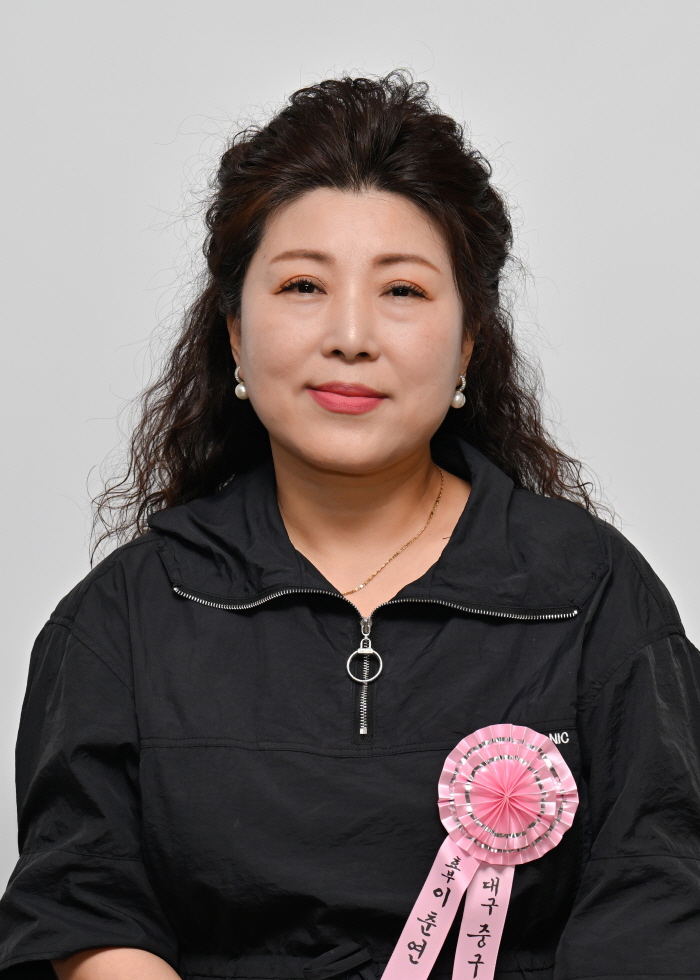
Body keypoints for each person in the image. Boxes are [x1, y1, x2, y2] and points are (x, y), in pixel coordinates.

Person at [0, 71, 698, 980]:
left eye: (403, 291)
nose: (352, 335)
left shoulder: (595, 595)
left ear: (470, 341)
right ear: (235, 333)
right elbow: (86, 910)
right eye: (302, 285)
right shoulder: (122, 617)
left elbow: (659, 897)